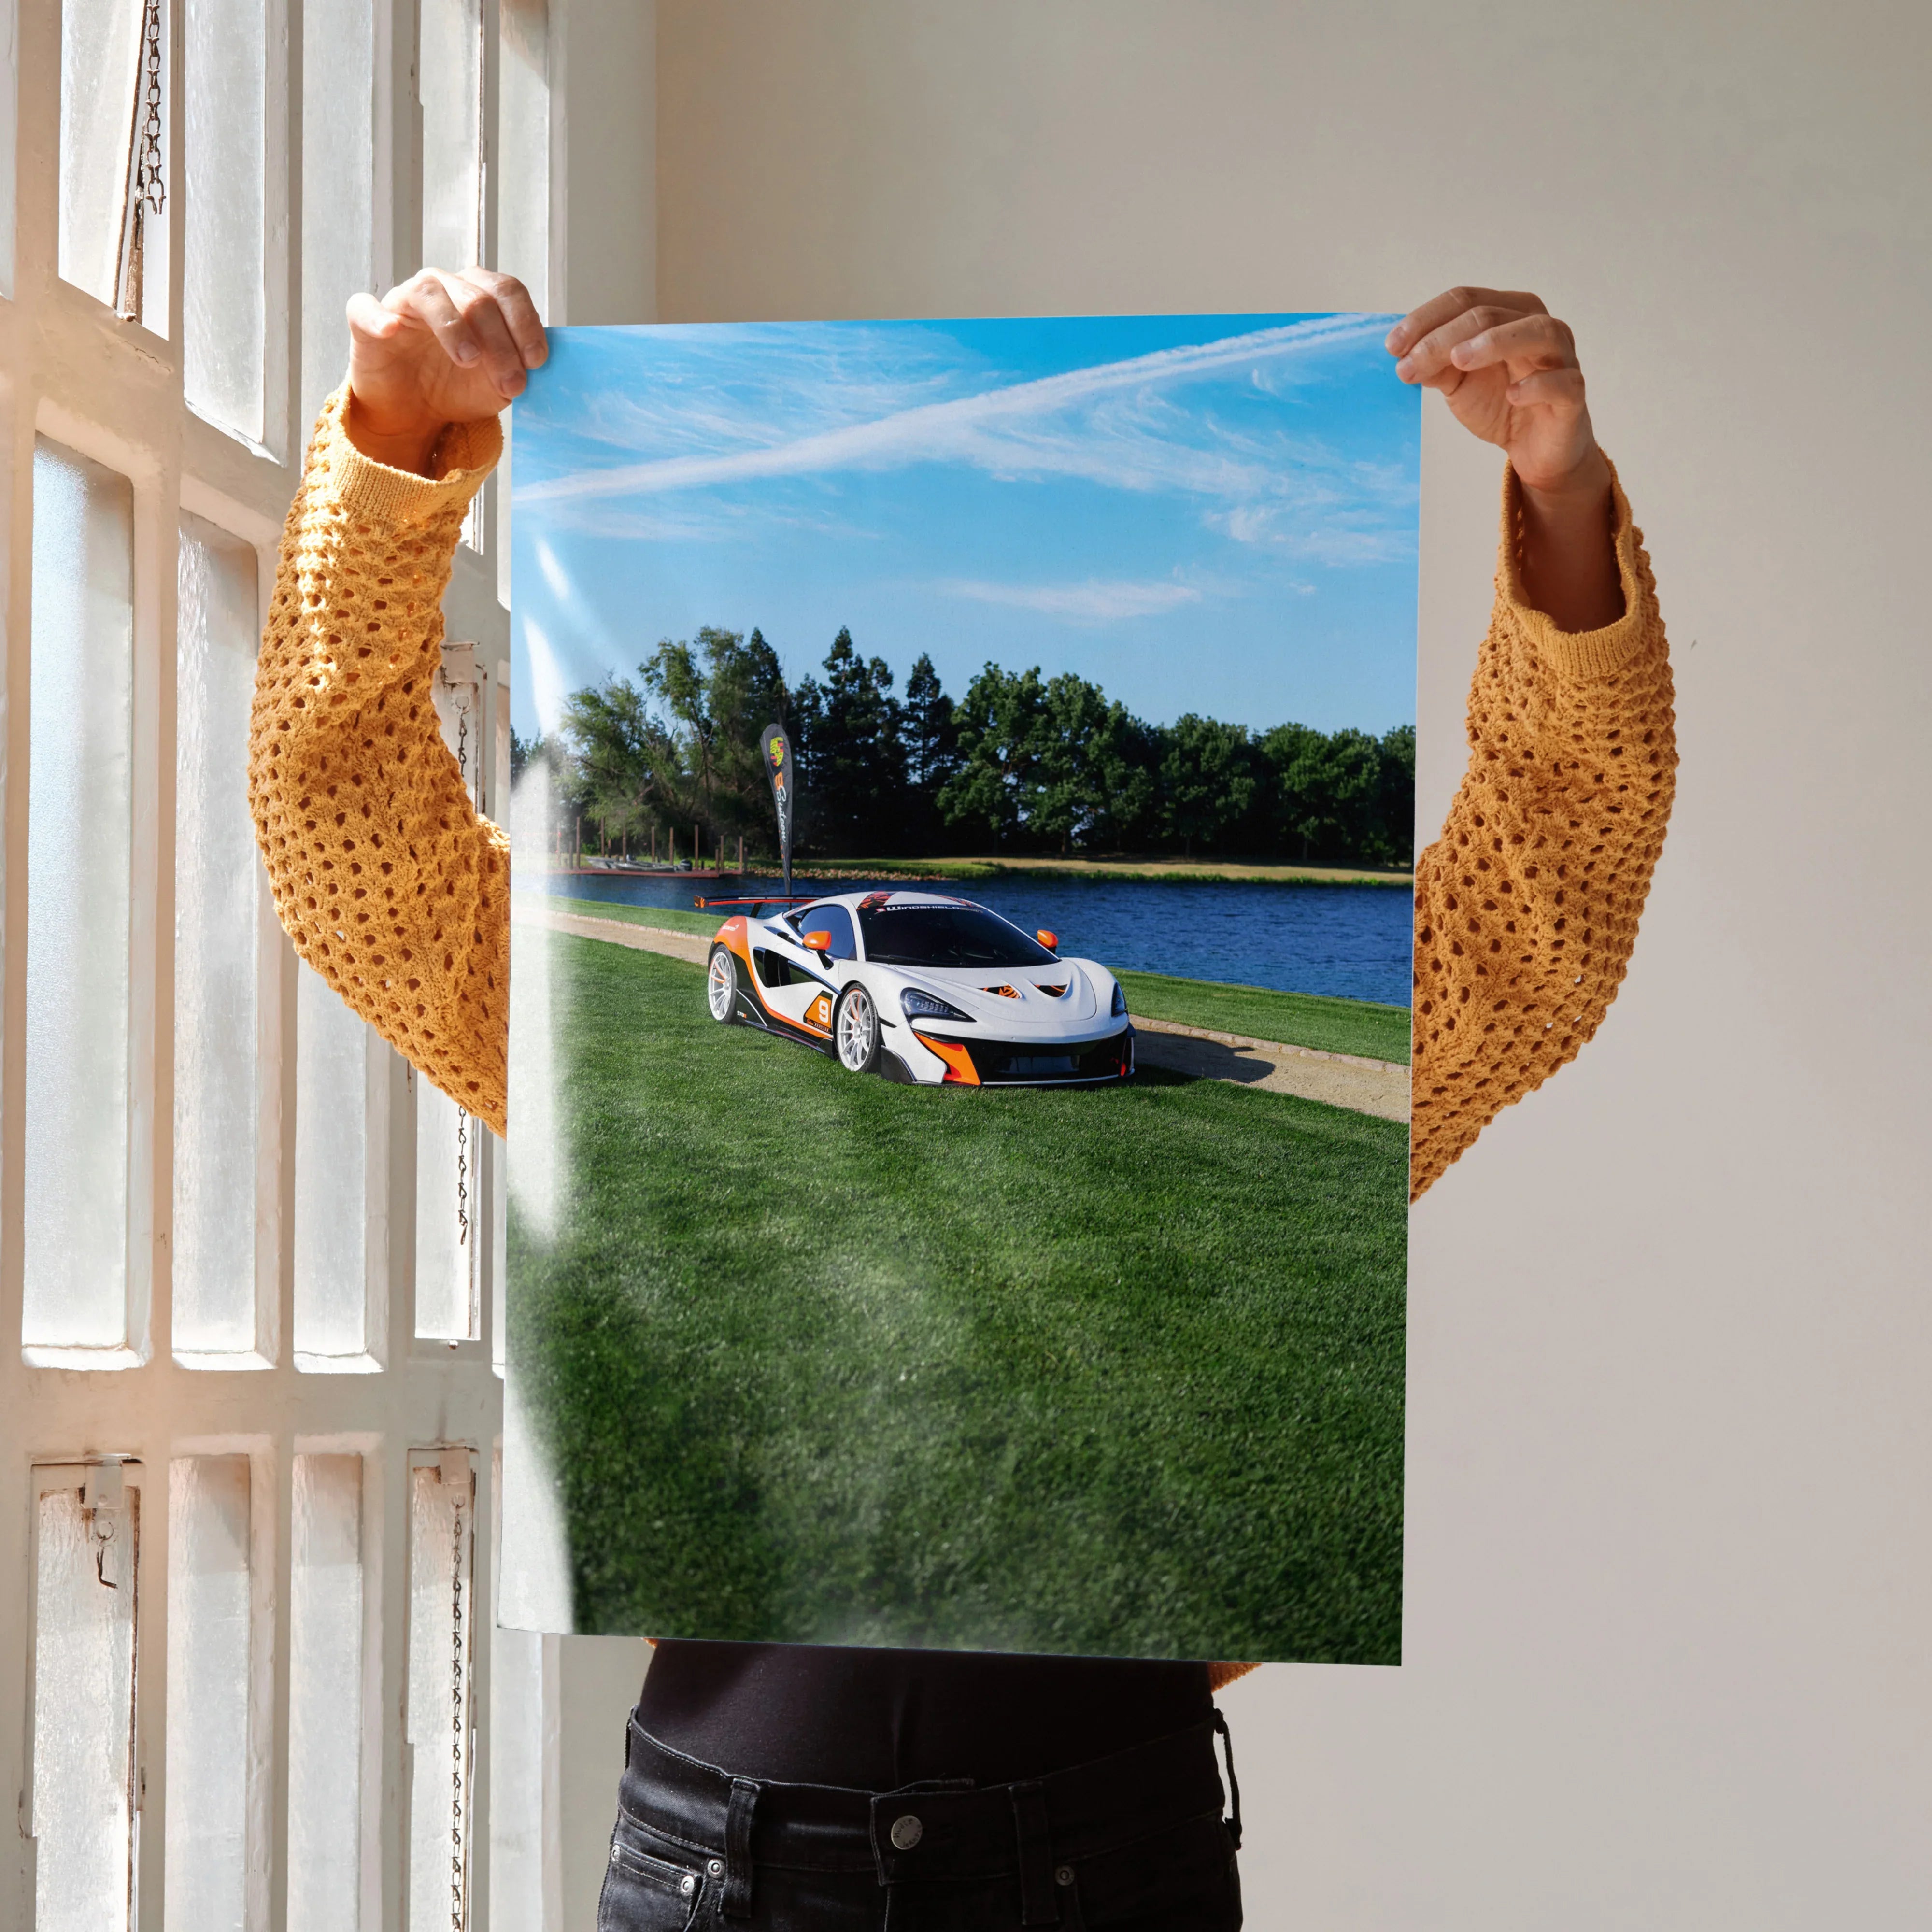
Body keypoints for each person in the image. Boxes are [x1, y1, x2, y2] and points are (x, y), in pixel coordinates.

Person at [250, 270, 1675, 1929]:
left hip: (1106, 1852)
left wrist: (1561, 498)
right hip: (731, 1866)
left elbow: (1545, 908)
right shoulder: (602, 1045)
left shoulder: (1145, 1070)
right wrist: (394, 445)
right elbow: (344, 835)